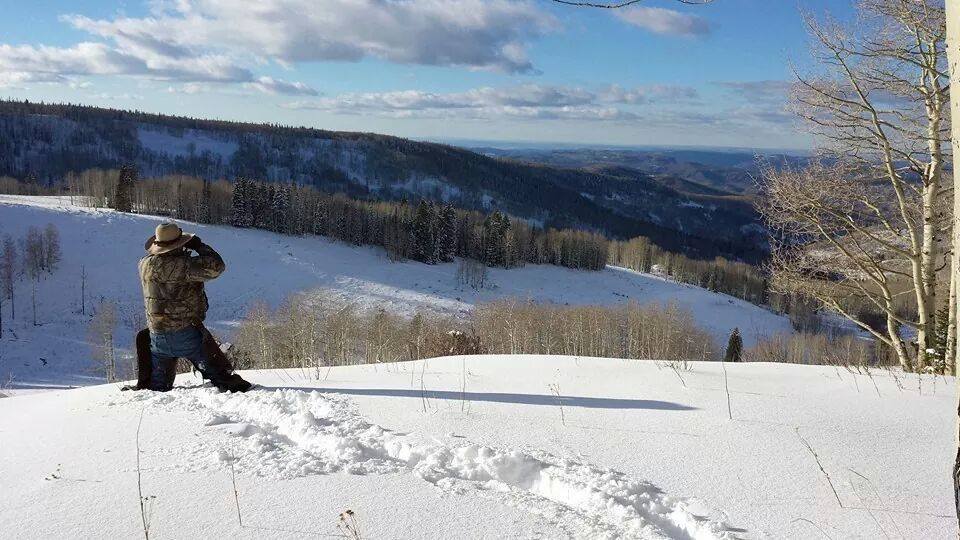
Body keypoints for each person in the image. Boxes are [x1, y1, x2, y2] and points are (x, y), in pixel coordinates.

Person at [137, 222, 249, 392]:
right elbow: (217, 266)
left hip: (157, 337)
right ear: (178, 244)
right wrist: (198, 245)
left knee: (157, 389)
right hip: (186, 335)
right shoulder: (185, 266)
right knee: (224, 379)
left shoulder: (144, 265)